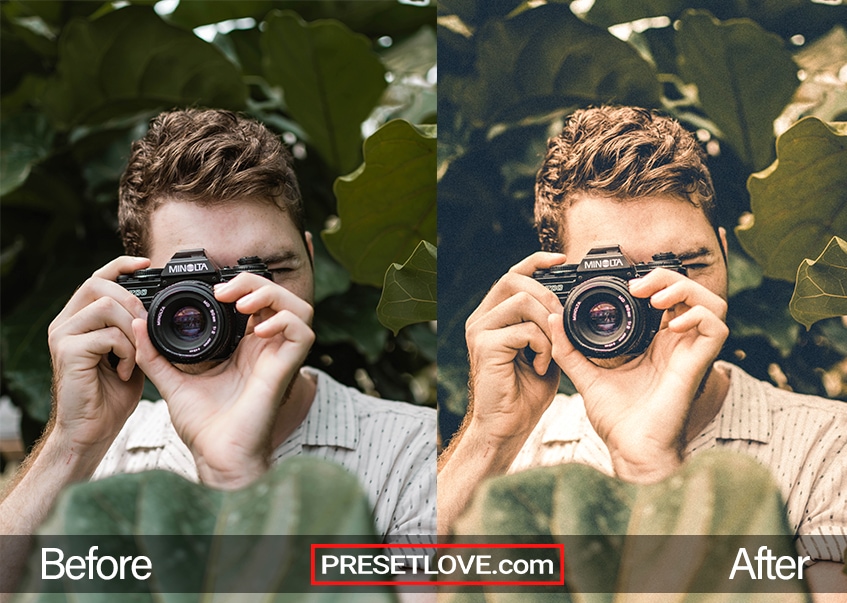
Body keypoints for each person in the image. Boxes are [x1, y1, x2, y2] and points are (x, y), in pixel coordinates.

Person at [0, 109, 436, 589]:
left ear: (311, 260)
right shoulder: (104, 451)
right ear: (135, 290)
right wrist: (73, 442)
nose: (242, 309)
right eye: (195, 289)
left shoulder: (420, 456)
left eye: (269, 271)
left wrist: (236, 475)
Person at [437, 106, 846, 598]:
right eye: (611, 281)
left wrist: (651, 465)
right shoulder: (519, 444)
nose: (660, 299)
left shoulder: (831, 451)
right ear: (553, 287)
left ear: (723, 252)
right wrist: (490, 436)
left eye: (689, 264)